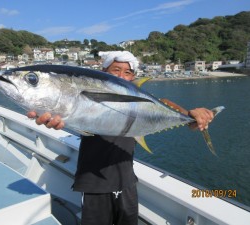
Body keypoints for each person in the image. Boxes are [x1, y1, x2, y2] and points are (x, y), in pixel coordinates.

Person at [27, 51, 214, 225]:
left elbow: (167, 107)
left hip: (127, 184)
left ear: (133, 78)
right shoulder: (89, 99)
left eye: (128, 72)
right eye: (116, 70)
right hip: (94, 184)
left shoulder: (141, 103)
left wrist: (190, 115)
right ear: (104, 73)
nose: (122, 76)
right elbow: (73, 113)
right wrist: (54, 114)